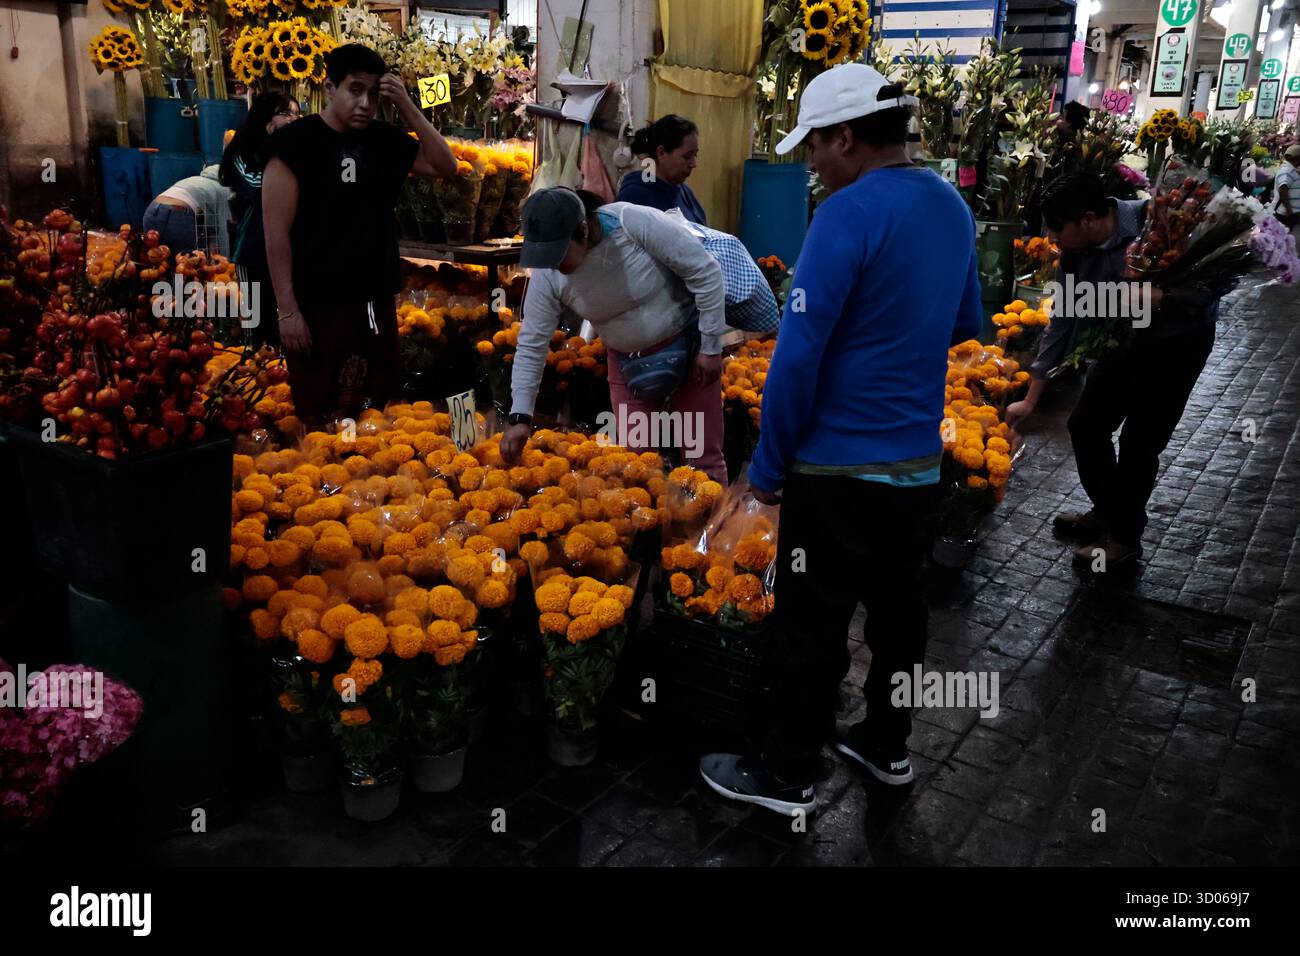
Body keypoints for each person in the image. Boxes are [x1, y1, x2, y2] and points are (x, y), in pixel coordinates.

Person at [697, 63, 983, 815]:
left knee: (811, 624)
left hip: (836, 466)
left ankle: (788, 774)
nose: (811, 162)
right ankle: (886, 744)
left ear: (847, 137)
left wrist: (766, 466)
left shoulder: (844, 216)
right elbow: (960, 325)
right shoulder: (952, 208)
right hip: (917, 466)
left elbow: (796, 356)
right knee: (899, 617)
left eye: (815, 145)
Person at [1005, 171, 1228, 568]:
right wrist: (1031, 396)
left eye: (1058, 230)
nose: (1053, 240)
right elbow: (1065, 317)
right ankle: (1110, 512)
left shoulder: (1163, 217)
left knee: (1141, 443)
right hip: (1121, 345)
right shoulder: (1075, 254)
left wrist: (1165, 297)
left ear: (1088, 219)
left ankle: (1124, 539)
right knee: (1087, 425)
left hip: (1176, 345)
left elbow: (1213, 285)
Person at [262, 44, 456, 424]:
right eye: (354, 90)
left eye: (372, 93)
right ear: (329, 87)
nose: (364, 103)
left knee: (379, 410)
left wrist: (407, 107)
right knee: (323, 413)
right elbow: (275, 235)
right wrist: (287, 310)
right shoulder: (294, 144)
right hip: (316, 302)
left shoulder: (383, 140)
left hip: (374, 299)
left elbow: (445, 165)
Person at [499, 187, 727, 482]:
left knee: (701, 461)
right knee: (637, 467)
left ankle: (710, 526)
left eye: (558, 254)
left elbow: (706, 273)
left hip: (691, 355)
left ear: (583, 230)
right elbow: (532, 343)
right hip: (630, 369)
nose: (554, 265)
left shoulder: (635, 223)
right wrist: (520, 417)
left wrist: (710, 348)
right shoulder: (548, 272)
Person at [219, 91, 301, 345]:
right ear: (266, 119)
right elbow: (260, 189)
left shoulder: (295, 153)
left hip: (289, 252)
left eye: (297, 114)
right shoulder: (241, 154)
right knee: (257, 325)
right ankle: (255, 371)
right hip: (253, 252)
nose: (294, 120)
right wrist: (273, 146)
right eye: (286, 114)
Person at [614, 114, 707, 225]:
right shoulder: (634, 197)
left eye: (695, 155)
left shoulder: (684, 192)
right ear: (661, 153)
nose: (693, 164)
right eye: (687, 156)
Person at [141, 164, 234, 258]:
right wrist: (225, 264)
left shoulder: (194, 180)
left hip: (152, 210)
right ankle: (177, 274)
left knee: (154, 259)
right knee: (181, 263)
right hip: (179, 216)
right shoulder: (224, 190)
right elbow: (221, 232)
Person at [1273, 144, 1300, 232]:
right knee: (1283, 237)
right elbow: (1283, 190)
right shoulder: (1287, 171)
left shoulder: (1292, 170)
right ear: (1297, 158)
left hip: (1291, 212)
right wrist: (1289, 210)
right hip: (1286, 213)